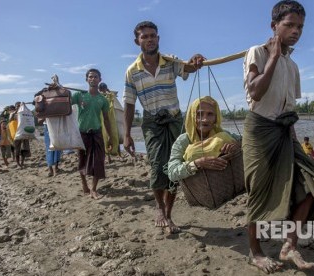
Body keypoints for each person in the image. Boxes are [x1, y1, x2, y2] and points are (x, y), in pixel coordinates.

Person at [242, 1, 314, 273]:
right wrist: (272, 56)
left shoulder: (292, 66)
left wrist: (295, 143)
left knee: (310, 185)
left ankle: (289, 245)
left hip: (285, 133)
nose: (296, 31)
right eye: (290, 25)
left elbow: (288, 109)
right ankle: (255, 251)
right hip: (260, 131)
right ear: (274, 26)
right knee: (259, 192)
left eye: (300, 27)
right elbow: (256, 92)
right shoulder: (256, 52)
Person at [123, 21, 204, 234]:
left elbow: (188, 68)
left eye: (153, 36)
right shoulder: (132, 71)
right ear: (137, 41)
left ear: (158, 38)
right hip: (152, 124)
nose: (149, 39)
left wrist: (195, 59)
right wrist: (127, 134)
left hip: (175, 120)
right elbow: (129, 104)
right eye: (145, 37)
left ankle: (168, 213)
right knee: (158, 165)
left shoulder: (169, 61)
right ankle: (159, 206)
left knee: (175, 168)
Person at [167, 96, 241, 182]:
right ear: (192, 116)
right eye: (199, 114)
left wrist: (237, 146)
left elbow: (248, 143)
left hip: (225, 183)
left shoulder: (223, 135)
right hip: (198, 188)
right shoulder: (184, 140)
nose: (205, 120)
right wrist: (197, 163)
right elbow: (172, 173)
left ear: (216, 118)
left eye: (210, 114)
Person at [71, 68, 113, 199]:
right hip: (82, 133)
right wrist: (58, 87)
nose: (93, 79)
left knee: (99, 161)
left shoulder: (102, 100)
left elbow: (106, 119)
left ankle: (93, 189)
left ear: (100, 80)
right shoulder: (79, 95)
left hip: (97, 133)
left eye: (95, 77)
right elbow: (65, 105)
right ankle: (84, 185)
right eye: (90, 77)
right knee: (82, 160)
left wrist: (111, 136)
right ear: (86, 79)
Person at [10, 102, 31, 169]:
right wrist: (16, 111)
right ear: (15, 107)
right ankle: (18, 163)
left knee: (24, 148)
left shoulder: (24, 113)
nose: (18, 107)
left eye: (19, 106)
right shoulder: (13, 114)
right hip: (16, 133)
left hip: (24, 132)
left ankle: (22, 162)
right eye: (17, 106)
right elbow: (10, 120)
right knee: (17, 149)